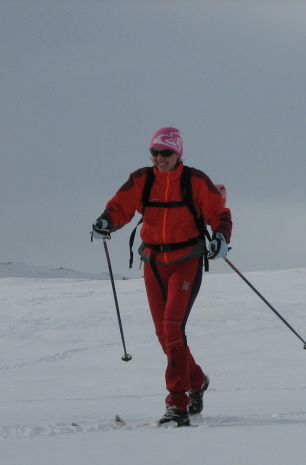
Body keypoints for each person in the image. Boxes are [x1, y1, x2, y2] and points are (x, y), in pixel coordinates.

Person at [91, 127, 232, 426]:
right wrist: (106, 220)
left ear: (178, 153)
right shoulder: (142, 179)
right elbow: (121, 207)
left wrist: (220, 236)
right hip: (153, 261)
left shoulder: (194, 180)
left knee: (171, 326)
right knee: (164, 335)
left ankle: (177, 406)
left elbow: (219, 212)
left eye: (165, 153)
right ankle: (196, 381)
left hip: (186, 259)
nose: (159, 158)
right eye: (154, 152)